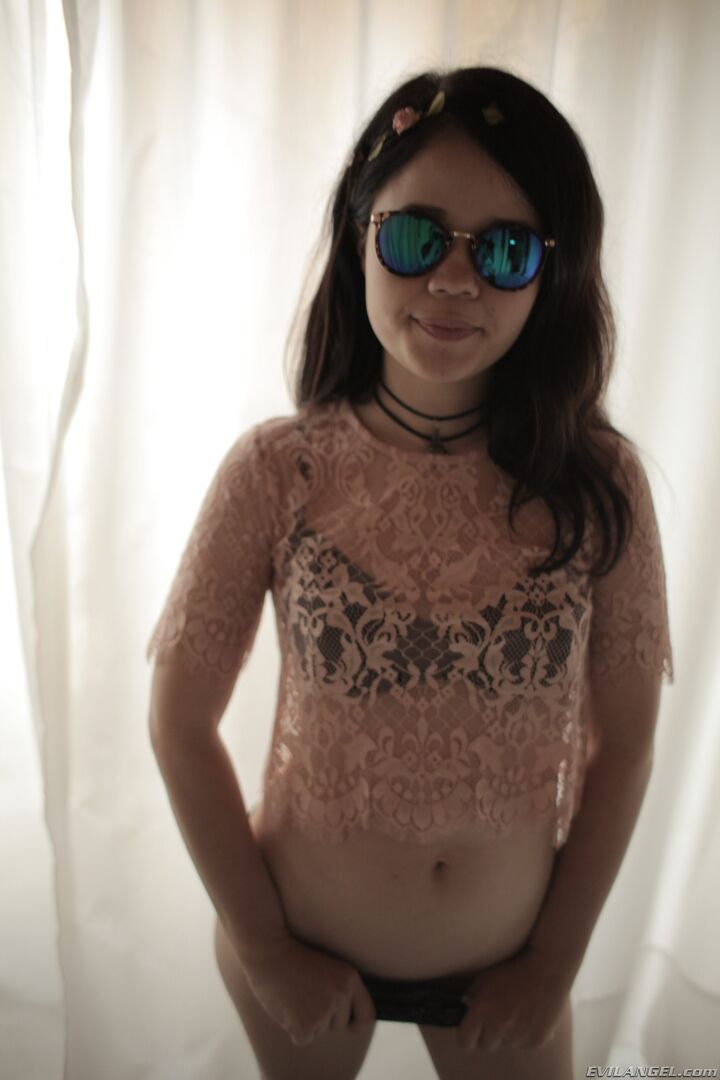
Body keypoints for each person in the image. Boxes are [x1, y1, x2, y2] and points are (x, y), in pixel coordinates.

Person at [146, 65, 674, 1080]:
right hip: (299, 948)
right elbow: (176, 721)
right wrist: (267, 951)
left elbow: (626, 749)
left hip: (508, 972)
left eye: (506, 250)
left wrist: (554, 967)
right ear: (360, 236)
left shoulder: (597, 486)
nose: (456, 281)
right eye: (417, 237)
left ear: (553, 273)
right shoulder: (278, 470)